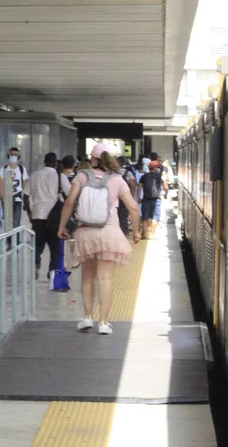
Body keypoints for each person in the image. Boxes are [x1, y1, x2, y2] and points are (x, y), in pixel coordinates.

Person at [57, 143, 140, 335]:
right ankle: (103, 322)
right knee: (106, 278)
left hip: (86, 232)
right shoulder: (117, 179)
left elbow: (69, 202)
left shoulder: (82, 176)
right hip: (109, 232)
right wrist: (136, 231)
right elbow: (133, 207)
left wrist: (62, 226)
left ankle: (87, 317)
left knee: (88, 277)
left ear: (92, 159)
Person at [25, 152, 71, 279]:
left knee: (38, 244)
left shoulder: (34, 175)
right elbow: (70, 195)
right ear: (56, 163)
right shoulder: (60, 176)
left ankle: (36, 262)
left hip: (37, 215)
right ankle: (52, 272)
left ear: (44, 161)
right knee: (55, 247)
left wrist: (29, 211)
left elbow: (25, 195)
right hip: (55, 217)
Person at [0, 147, 29, 245]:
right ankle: (9, 241)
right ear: (8, 155)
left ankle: (15, 242)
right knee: (8, 222)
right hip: (7, 198)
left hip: (18, 198)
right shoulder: (3, 169)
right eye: (11, 154)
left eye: (15, 154)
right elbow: (0, 183)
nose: (13, 156)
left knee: (16, 222)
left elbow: (25, 182)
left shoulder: (21, 169)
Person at [137, 160, 168, 240]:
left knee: (145, 217)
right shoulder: (159, 176)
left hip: (146, 199)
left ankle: (144, 234)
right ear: (156, 168)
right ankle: (152, 234)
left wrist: (138, 197)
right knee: (155, 217)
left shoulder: (144, 176)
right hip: (156, 199)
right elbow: (166, 187)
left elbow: (139, 188)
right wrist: (165, 194)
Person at [117, 157, 137, 236]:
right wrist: (131, 196)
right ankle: (123, 231)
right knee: (123, 215)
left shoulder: (111, 173)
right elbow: (133, 185)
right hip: (124, 197)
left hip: (114, 198)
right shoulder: (128, 173)